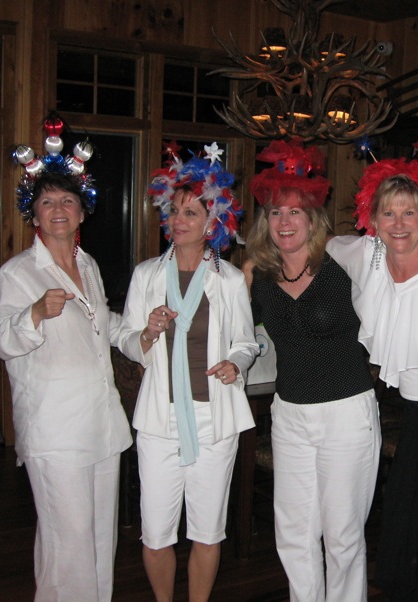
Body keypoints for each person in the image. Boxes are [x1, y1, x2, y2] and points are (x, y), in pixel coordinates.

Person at [117, 143, 258, 602]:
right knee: (156, 533)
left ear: (214, 222)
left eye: (191, 212)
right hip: (160, 422)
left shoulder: (230, 280)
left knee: (207, 530)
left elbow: (246, 342)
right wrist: (147, 333)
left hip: (214, 422)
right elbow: (127, 340)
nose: (178, 220)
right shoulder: (146, 275)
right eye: (174, 211)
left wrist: (235, 364)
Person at [327, 157, 418, 600]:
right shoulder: (367, 255)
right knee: (407, 519)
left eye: (410, 211)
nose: (399, 222)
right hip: (414, 416)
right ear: (371, 219)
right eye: (388, 212)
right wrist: (259, 265)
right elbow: (322, 242)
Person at [0, 122, 131, 601]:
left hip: (100, 424)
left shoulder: (89, 265)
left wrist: (144, 333)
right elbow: (3, 339)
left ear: (83, 211)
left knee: (99, 540)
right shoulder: (17, 274)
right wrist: (34, 313)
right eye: (48, 202)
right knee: (68, 544)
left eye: (68, 201)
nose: (59, 210)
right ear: (33, 212)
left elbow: (105, 326)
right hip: (56, 431)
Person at [244, 140, 381, 602]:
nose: (285, 222)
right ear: (266, 221)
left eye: (295, 212)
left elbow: (405, 263)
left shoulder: (345, 262)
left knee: (342, 536)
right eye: (276, 213)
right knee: (295, 533)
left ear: (313, 219)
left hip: (346, 412)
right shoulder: (258, 274)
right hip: (290, 415)